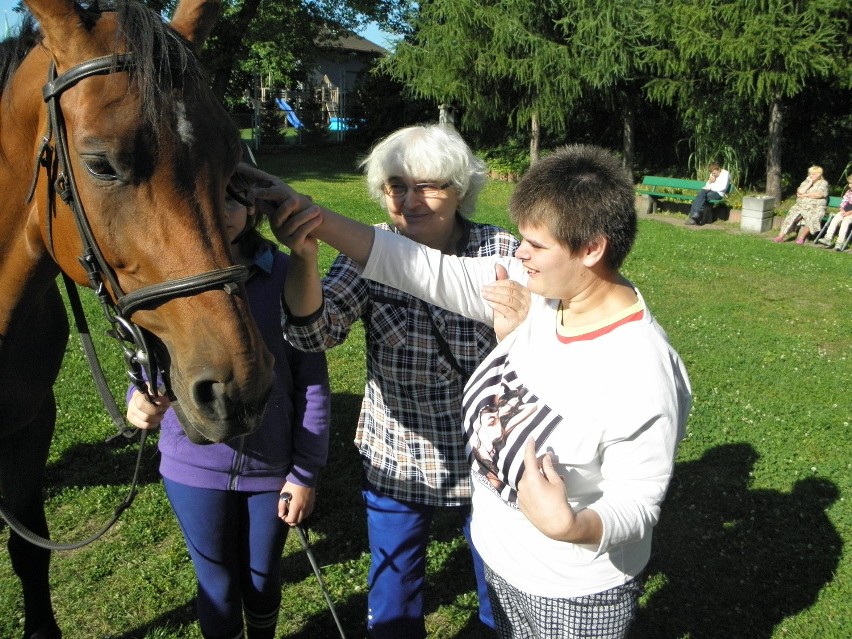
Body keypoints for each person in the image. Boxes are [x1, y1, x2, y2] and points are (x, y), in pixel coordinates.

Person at [266, 143, 692, 639]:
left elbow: (637, 504)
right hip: (501, 557)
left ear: (591, 249)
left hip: (568, 591)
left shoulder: (642, 368)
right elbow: (420, 267)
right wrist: (308, 216)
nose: (519, 254)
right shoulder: (542, 296)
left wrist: (571, 527)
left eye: (535, 245)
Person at [248, 124, 519, 638]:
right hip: (400, 452)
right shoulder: (368, 250)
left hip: (486, 457)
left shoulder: (499, 249)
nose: (410, 201)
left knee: (500, 590)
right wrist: (304, 256)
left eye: (428, 185)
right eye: (396, 185)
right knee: (393, 597)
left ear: (460, 187)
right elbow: (314, 335)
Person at [125, 165, 331, 639]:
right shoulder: (171, 278)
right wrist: (139, 395)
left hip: (272, 472)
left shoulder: (286, 273)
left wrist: (304, 473)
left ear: (256, 207)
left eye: (234, 199)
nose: (222, 212)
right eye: (208, 198)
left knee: (261, 581)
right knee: (215, 584)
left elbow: (312, 379)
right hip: (192, 466)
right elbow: (152, 360)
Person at [773, 166, 829, 244]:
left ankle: (801, 238)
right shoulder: (806, 181)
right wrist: (809, 183)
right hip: (801, 205)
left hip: (815, 207)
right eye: (810, 174)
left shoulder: (823, 183)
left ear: (819, 174)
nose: (810, 175)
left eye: (813, 174)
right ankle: (780, 237)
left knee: (813, 217)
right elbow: (800, 191)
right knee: (791, 216)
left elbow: (819, 194)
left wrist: (805, 195)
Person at [816, 174, 852, 251]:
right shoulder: (849, 192)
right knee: (835, 219)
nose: (849, 185)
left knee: (845, 222)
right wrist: (841, 209)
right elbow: (844, 202)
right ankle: (828, 238)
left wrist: (849, 213)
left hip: (850, 214)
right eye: (849, 183)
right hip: (844, 211)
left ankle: (840, 242)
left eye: (851, 183)